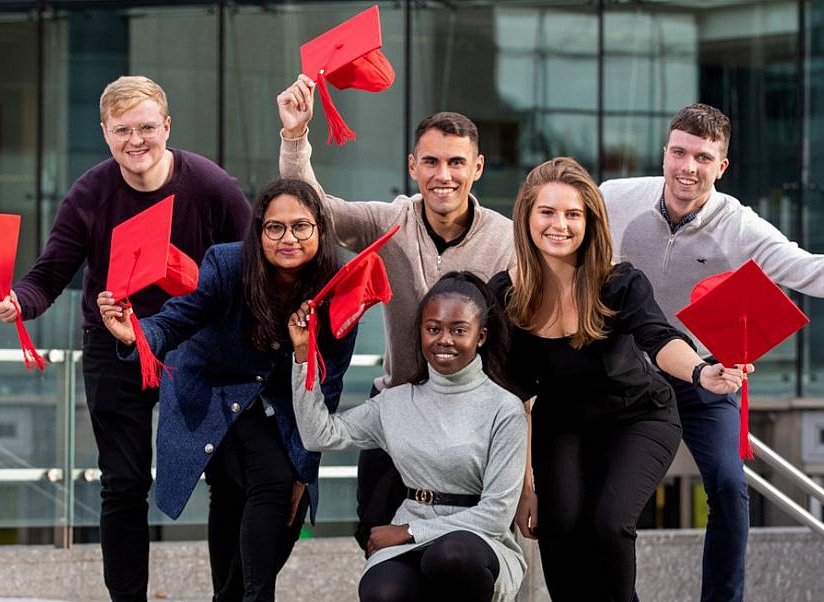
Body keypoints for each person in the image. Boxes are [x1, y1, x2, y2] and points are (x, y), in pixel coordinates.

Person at [599, 103, 824, 602]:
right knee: (609, 502)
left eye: (702, 157)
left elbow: (800, 267)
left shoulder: (739, 225)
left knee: (731, 491)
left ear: (722, 166)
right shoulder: (614, 199)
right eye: (678, 153)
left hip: (705, 375)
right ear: (665, 152)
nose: (687, 167)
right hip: (624, 372)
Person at [0, 75, 250, 601]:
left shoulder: (212, 186)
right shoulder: (90, 193)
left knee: (228, 477)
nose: (136, 141)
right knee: (124, 484)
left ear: (166, 127)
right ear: (105, 132)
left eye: (147, 127)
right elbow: (48, 275)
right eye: (122, 130)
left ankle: (231, 597)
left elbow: (248, 271)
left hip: (196, 344)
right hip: (115, 344)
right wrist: (16, 303)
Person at [277, 75, 515, 551]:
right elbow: (314, 213)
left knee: (462, 556)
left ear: (478, 168)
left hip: (476, 422)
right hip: (398, 413)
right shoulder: (391, 221)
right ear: (412, 165)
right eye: (430, 161)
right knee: (376, 539)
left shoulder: (507, 240)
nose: (442, 174)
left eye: (455, 162)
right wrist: (294, 137)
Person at [491, 157, 746, 602]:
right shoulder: (505, 295)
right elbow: (513, 396)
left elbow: (659, 338)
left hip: (638, 417)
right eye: (547, 212)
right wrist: (525, 486)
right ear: (526, 216)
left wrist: (703, 373)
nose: (560, 225)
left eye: (573, 214)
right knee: (559, 529)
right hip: (563, 425)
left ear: (590, 221)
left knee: (609, 524)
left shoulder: (617, 282)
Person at [96, 178, 356, 602]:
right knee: (269, 483)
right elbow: (177, 319)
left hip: (282, 408)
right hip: (211, 394)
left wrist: (305, 471)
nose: (288, 238)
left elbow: (327, 386)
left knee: (285, 506)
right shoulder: (227, 264)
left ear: (321, 231)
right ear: (258, 232)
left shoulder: (338, 287)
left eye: (301, 227)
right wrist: (136, 336)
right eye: (275, 228)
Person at [288, 271, 527, 602]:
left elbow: (497, 513)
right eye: (434, 329)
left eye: (459, 330)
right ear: (421, 332)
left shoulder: (504, 408)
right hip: (410, 528)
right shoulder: (395, 402)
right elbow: (319, 435)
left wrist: (411, 532)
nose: (444, 339)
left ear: (481, 336)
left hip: (478, 539)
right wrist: (303, 358)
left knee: (451, 556)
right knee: (383, 591)